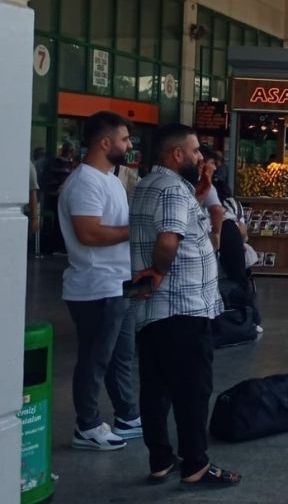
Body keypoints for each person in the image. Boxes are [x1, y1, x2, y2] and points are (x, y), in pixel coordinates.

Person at [130, 123, 240, 488]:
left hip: (154, 312)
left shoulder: (149, 184)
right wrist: (159, 271)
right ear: (176, 154)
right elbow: (167, 240)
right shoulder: (174, 189)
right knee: (192, 391)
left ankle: (160, 460)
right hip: (183, 308)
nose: (200, 158)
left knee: (155, 388)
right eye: (195, 151)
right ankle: (195, 465)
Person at [57, 111, 141, 451]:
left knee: (122, 355)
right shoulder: (84, 182)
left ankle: (127, 415)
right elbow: (88, 233)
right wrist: (135, 231)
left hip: (121, 282)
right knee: (95, 358)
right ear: (104, 142)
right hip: (95, 286)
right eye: (124, 139)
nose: (129, 144)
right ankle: (87, 425)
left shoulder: (111, 179)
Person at [213, 177, 263, 333]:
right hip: (233, 243)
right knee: (240, 281)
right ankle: (251, 318)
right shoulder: (234, 205)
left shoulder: (210, 205)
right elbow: (243, 231)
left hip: (221, 243)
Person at [196, 146, 225, 252]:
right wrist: (216, 234)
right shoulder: (205, 185)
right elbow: (217, 210)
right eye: (212, 163)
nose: (215, 168)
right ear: (202, 164)